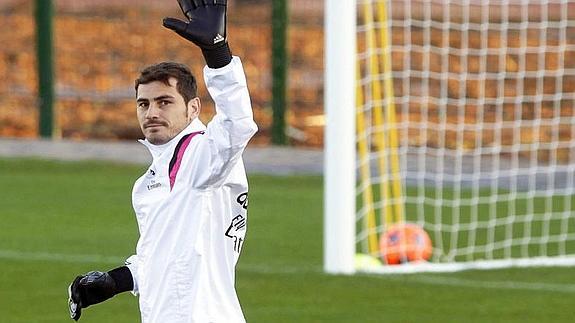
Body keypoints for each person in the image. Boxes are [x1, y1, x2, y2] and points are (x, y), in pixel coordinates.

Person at [67, 1, 257, 322]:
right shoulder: (148, 183)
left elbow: (237, 125)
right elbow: (161, 255)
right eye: (143, 104)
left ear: (193, 108)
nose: (151, 112)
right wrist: (115, 281)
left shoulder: (203, 157)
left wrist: (218, 54)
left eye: (164, 102)